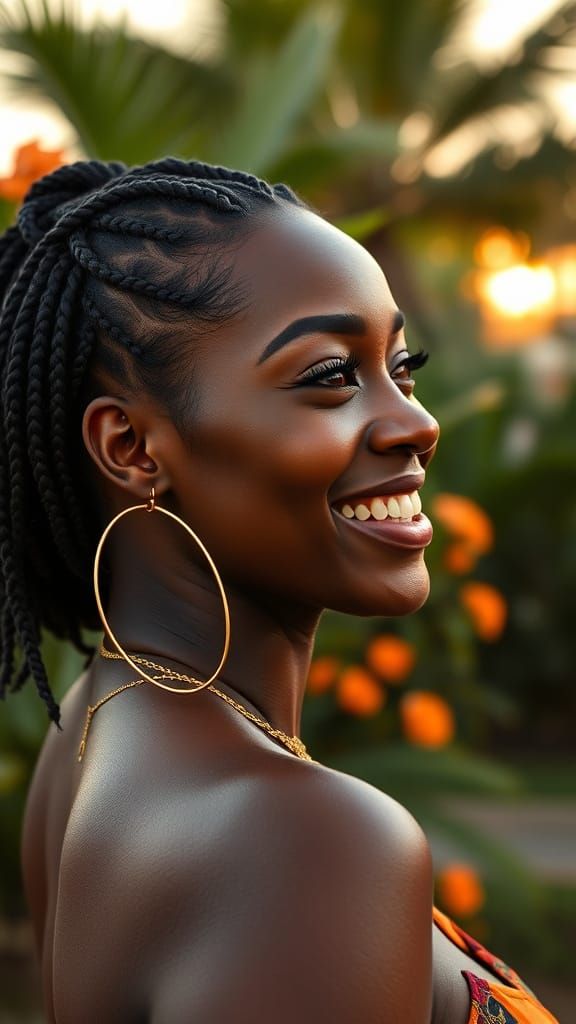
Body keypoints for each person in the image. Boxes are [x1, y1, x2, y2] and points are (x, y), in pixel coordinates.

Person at [0, 157, 557, 1023]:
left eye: (399, 364)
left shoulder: (96, 723)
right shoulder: (303, 842)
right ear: (133, 448)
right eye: (331, 375)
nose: (416, 420)